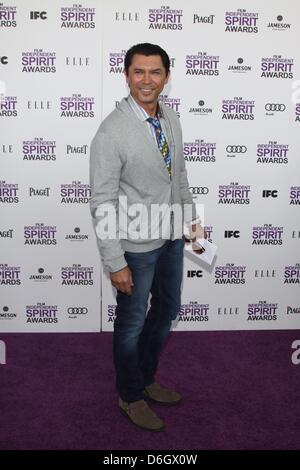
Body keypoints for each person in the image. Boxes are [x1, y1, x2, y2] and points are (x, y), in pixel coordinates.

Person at [90, 43, 206, 431]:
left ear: (166, 77)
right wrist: (114, 261)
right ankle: (130, 395)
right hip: (135, 248)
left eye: (155, 72)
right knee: (131, 324)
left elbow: (180, 177)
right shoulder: (112, 131)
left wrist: (192, 225)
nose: (146, 80)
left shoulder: (170, 116)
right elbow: (103, 200)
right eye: (138, 72)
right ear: (126, 75)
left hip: (172, 237)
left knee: (167, 310)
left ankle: (146, 378)